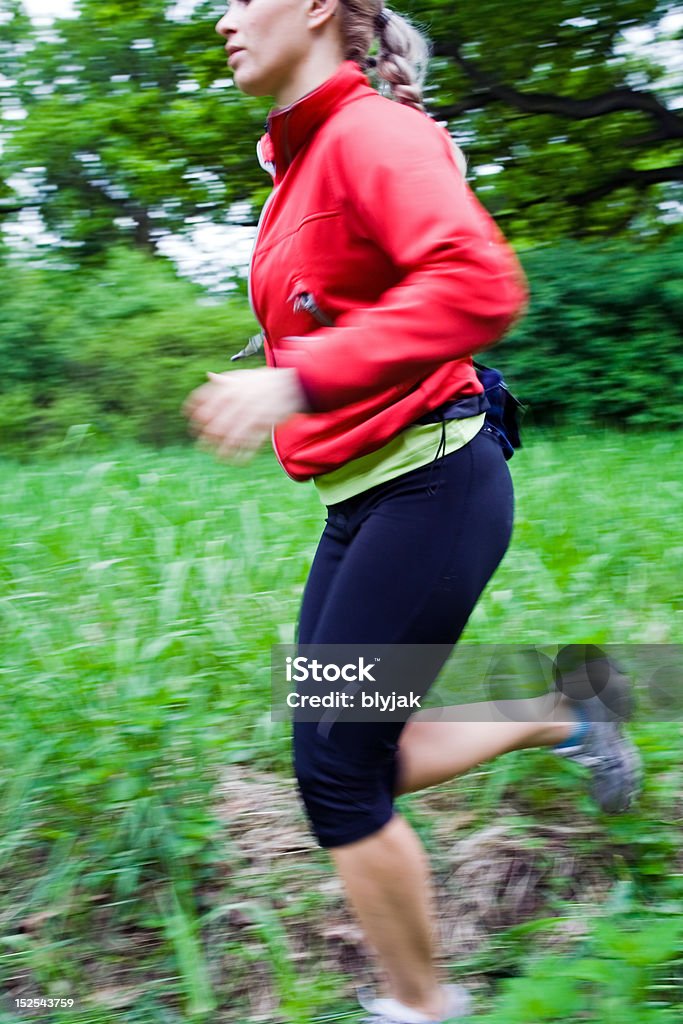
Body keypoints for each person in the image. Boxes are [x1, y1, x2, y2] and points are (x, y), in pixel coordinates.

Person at [184, 1, 642, 1020]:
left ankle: (420, 1006)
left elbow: (479, 282)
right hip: (366, 500)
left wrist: (293, 380)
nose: (220, 17)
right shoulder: (303, 163)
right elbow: (359, 300)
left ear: (314, 8)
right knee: (352, 747)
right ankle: (564, 708)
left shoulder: (369, 135)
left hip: (431, 484)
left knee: (336, 780)